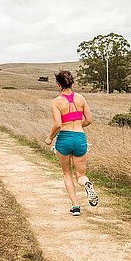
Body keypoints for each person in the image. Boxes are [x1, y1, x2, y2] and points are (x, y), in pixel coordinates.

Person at [44, 69, 98, 216]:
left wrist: (50, 138)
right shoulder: (81, 98)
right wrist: (79, 126)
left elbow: (58, 125)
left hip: (64, 139)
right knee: (80, 175)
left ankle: (75, 207)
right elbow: (89, 120)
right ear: (71, 82)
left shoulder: (56, 102)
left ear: (58, 84)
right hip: (80, 138)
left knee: (67, 174)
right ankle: (87, 184)